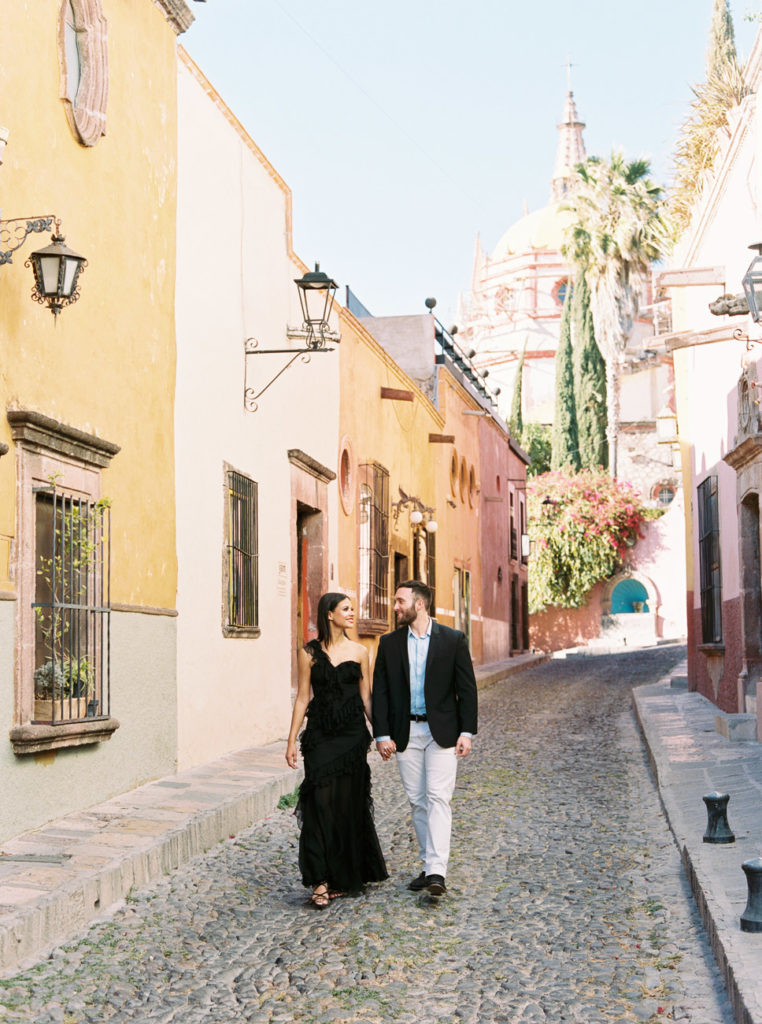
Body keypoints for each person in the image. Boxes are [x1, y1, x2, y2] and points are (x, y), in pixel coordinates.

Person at [372, 580, 477, 896]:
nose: (394, 607)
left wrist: (466, 732)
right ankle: (427, 864)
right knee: (418, 802)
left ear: (419, 604)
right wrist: (382, 734)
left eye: (399, 601)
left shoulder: (452, 640)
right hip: (407, 733)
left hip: (441, 732)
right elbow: (381, 692)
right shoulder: (389, 643)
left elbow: (467, 690)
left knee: (437, 798)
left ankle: (437, 872)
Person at [286, 592, 388, 908]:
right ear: (329, 614)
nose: (352, 613)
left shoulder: (360, 652)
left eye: (353, 609)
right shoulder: (308, 654)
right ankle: (319, 879)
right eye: (346, 609)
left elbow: (367, 698)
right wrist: (291, 740)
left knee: (347, 804)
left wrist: (382, 735)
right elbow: (303, 697)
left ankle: (342, 875)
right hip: (319, 738)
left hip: (352, 737)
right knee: (318, 805)